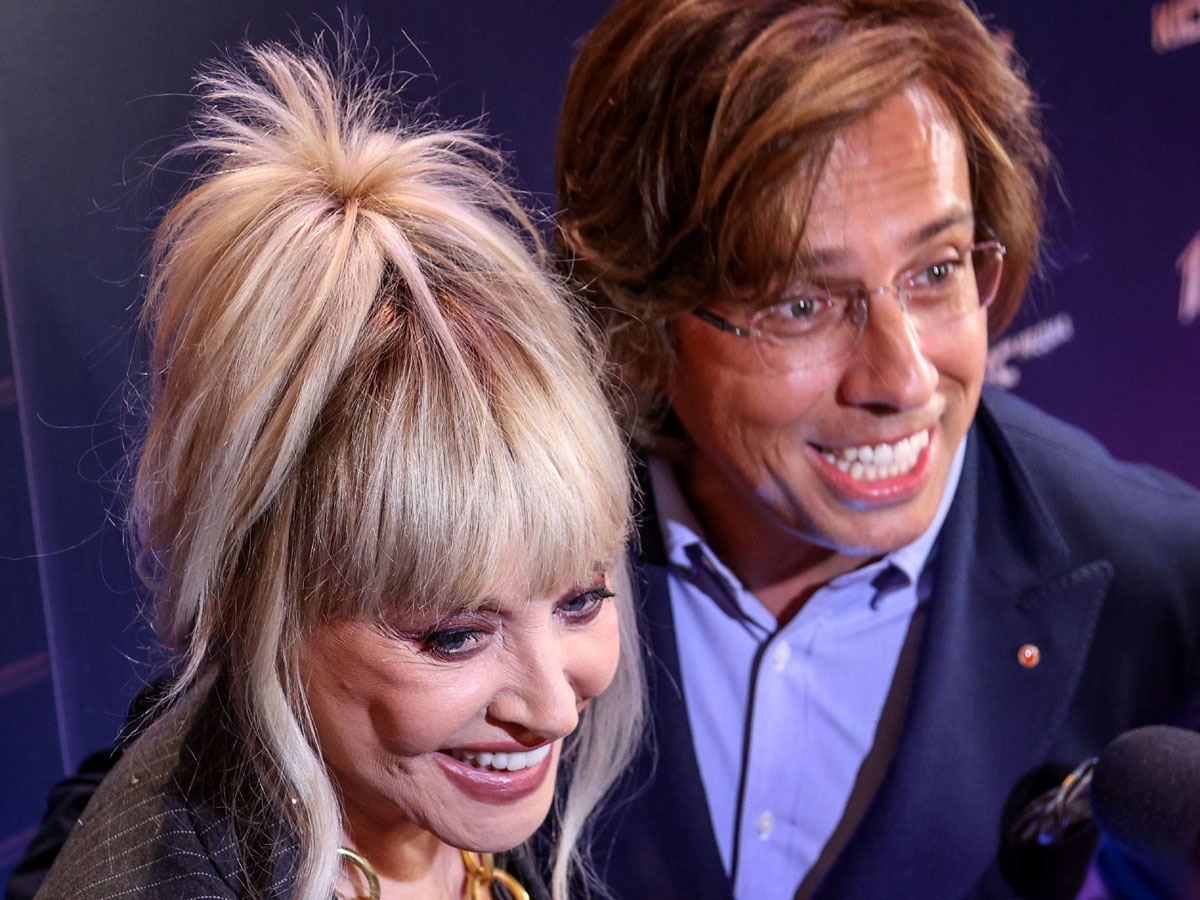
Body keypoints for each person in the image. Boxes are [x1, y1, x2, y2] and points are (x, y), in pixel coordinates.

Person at [554, 1, 1200, 898]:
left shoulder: (1167, 593)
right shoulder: (494, 558)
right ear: (640, 318)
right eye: (802, 304)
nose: (903, 377)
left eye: (936, 271)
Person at [29, 38, 642, 900]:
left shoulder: (466, 795)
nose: (554, 708)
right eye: (455, 636)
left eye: (580, 600)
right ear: (253, 595)